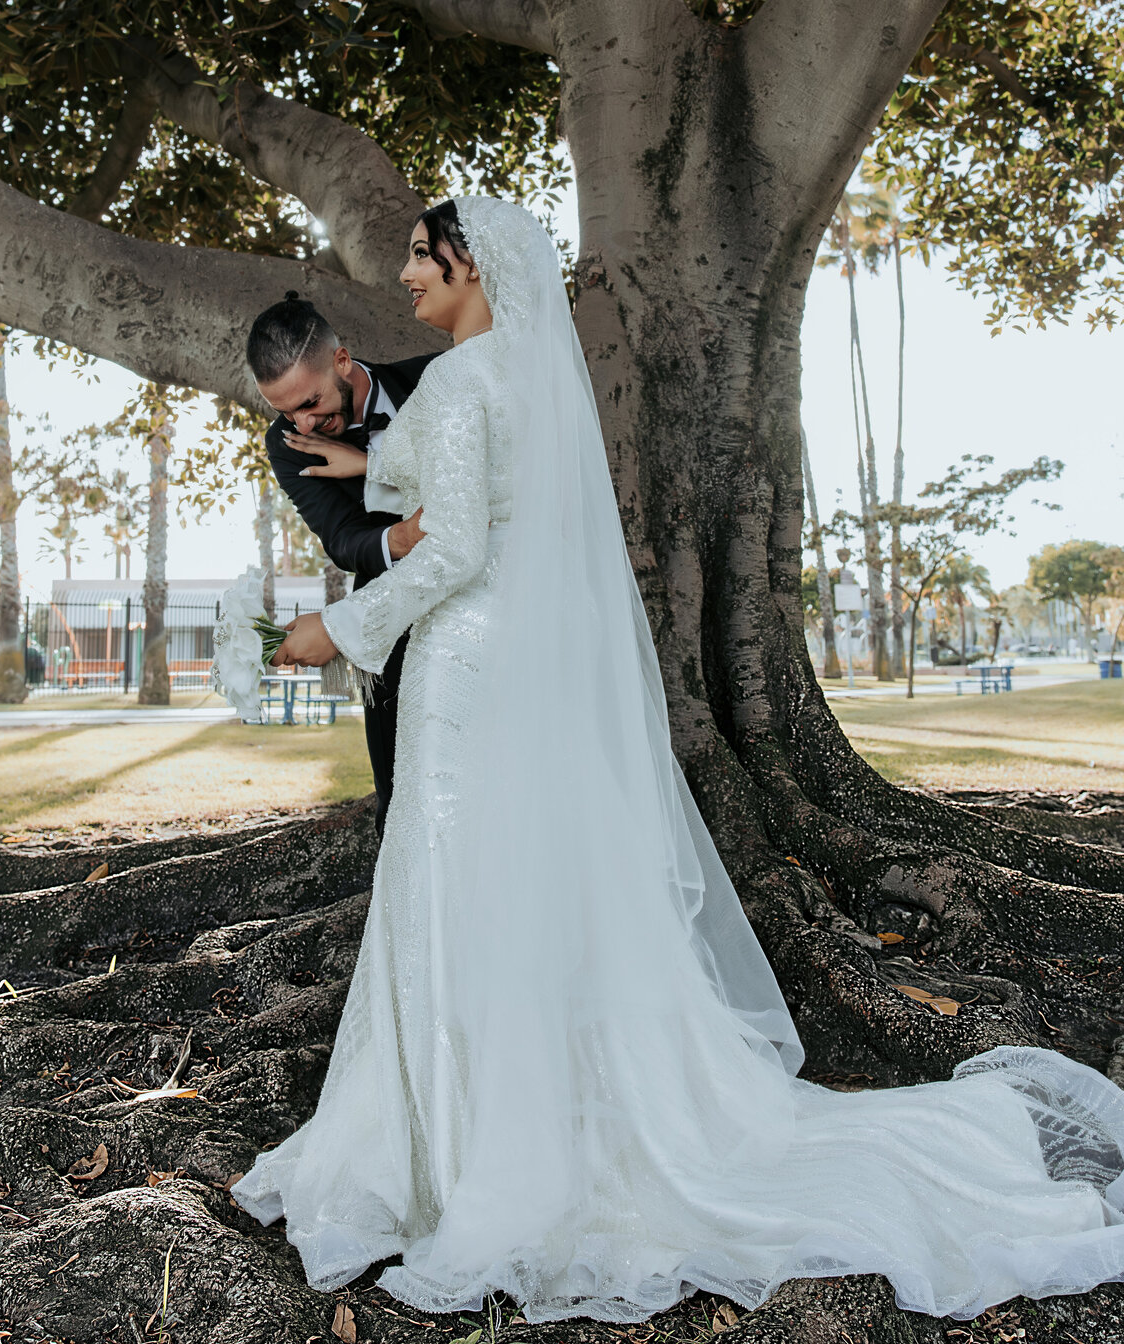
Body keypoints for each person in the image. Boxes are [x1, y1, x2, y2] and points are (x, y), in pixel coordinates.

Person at [233, 196, 1124, 1326]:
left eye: (422, 256)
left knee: (455, 882)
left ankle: (459, 1146)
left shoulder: (457, 382)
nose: (405, 274)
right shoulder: (526, 377)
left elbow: (450, 547)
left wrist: (337, 627)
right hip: (512, 664)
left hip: (465, 663)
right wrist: (364, 462)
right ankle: (513, 1119)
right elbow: (473, 495)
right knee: (498, 879)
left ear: (473, 268)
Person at [245, 294, 436, 831]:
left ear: (342, 361)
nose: (303, 423)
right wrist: (405, 536)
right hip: (390, 629)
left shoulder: (433, 381)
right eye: (286, 411)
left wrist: (371, 463)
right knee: (400, 799)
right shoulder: (287, 444)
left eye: (311, 402)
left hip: (491, 604)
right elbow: (343, 537)